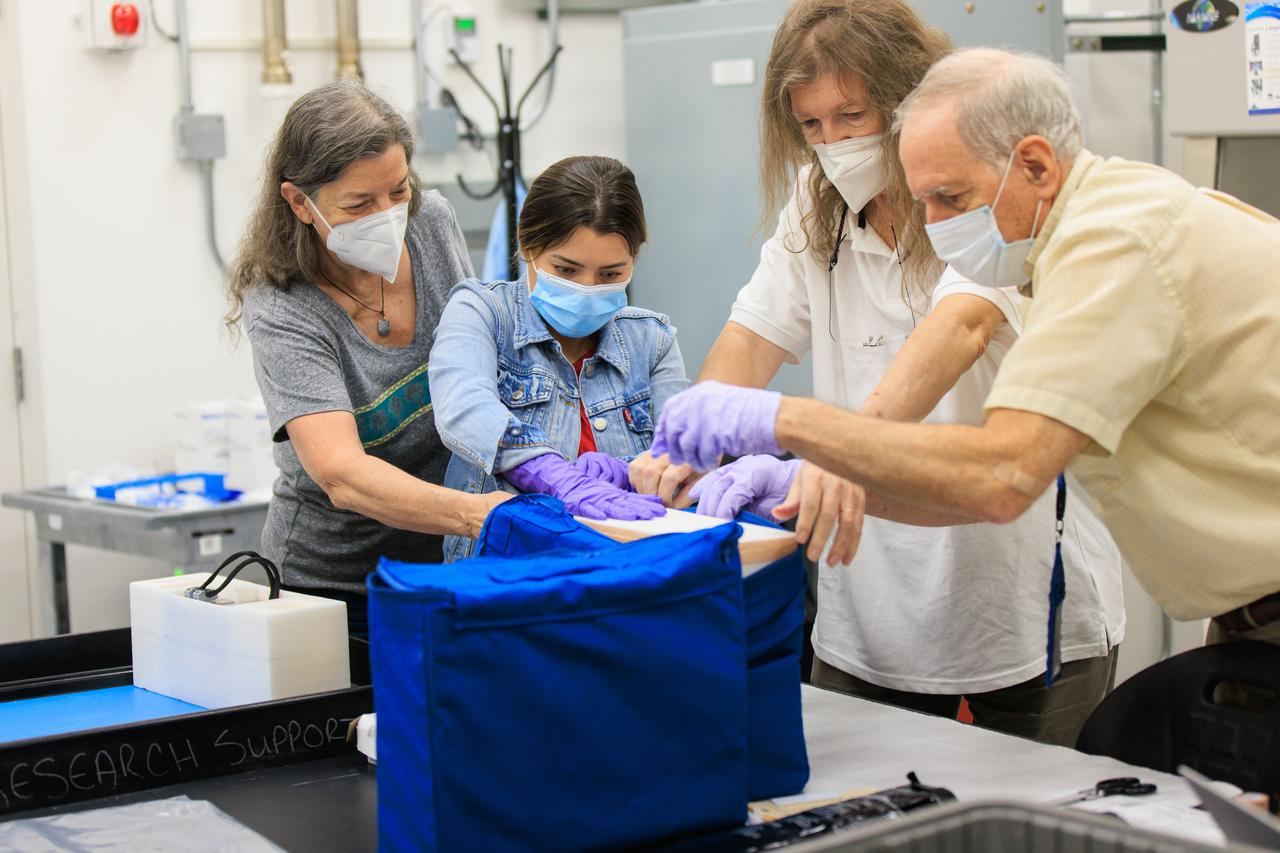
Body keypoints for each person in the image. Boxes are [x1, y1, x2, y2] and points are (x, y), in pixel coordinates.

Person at [651, 48, 1280, 649]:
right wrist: (798, 480)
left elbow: (1001, 475)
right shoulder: (1063, 241)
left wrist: (789, 424)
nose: (932, 225)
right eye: (923, 201)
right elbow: (979, 489)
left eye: (950, 198)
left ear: (1035, 165)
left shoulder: (1114, 246)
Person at [636, 0, 1125, 746]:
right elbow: (751, 337)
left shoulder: (973, 198)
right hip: (869, 608)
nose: (833, 142)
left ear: (907, 100)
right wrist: (690, 439)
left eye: (852, 115)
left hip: (1016, 597)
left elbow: (959, 326)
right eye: (811, 125)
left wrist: (845, 446)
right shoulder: (817, 208)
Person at [227, 80, 507, 633]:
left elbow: (481, 358)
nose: (388, 216)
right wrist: (481, 513)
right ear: (299, 202)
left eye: (398, 191)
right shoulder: (283, 308)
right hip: (336, 587)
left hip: (450, 562)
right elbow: (343, 476)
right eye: (359, 204)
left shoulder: (432, 223)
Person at [430, 156, 686, 561]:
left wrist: (631, 468)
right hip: (505, 576)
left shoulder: (652, 341)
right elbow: (463, 407)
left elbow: (681, 451)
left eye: (610, 275)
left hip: (627, 569)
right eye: (566, 270)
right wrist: (553, 474)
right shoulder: (482, 312)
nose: (587, 288)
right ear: (529, 246)